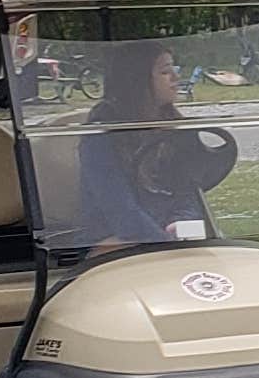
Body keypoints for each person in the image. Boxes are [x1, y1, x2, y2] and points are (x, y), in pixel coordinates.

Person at [72, 40, 232, 247]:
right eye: (165, 72)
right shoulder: (101, 135)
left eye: (173, 69)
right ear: (137, 79)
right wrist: (165, 243)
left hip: (165, 236)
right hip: (115, 239)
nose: (176, 77)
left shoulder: (174, 126)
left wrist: (182, 222)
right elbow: (121, 212)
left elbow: (187, 190)